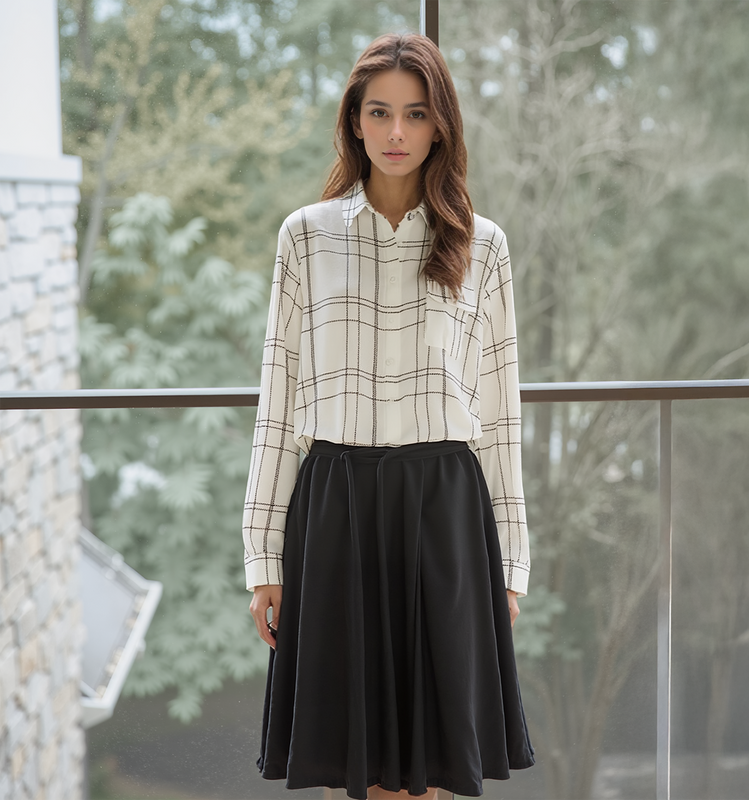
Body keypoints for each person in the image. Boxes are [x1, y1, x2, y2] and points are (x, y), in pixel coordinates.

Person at [242, 31, 534, 800]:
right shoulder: (305, 237)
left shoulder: (484, 246)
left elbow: (501, 418)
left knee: (433, 763)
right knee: (362, 762)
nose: (397, 133)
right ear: (356, 121)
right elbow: (277, 406)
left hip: (446, 509)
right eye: (380, 113)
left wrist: (510, 564)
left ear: (441, 124)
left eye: (415, 114)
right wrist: (263, 561)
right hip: (337, 504)